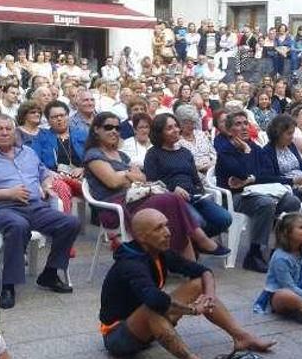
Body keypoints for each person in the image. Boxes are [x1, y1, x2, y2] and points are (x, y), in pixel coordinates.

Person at [99, 209, 275, 359]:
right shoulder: (131, 264)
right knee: (152, 309)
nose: (167, 232)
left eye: (166, 225)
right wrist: (191, 310)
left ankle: (241, 337)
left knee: (199, 284)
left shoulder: (159, 252)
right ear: (142, 237)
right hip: (119, 337)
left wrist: (209, 297)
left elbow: (202, 271)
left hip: (147, 324)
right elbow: (154, 300)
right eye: (159, 228)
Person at [0, 114, 81, 309]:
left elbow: (44, 173)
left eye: (8, 129)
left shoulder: (27, 152)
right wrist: (7, 193)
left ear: (15, 132)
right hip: (1, 208)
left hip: (34, 206)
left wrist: (46, 185)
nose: (4, 132)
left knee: (70, 223)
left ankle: (50, 273)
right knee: (18, 225)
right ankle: (9, 285)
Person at [83, 112, 228, 261]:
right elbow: (112, 182)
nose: (114, 131)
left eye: (117, 128)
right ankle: (198, 247)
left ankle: (188, 259)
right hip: (116, 207)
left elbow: (143, 178)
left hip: (136, 199)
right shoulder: (93, 155)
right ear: (96, 129)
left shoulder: (121, 155)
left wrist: (125, 176)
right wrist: (129, 174)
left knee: (172, 204)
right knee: (171, 199)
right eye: (108, 127)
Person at [214, 110, 301, 272]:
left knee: (292, 201)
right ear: (229, 130)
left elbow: (267, 175)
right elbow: (242, 173)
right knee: (266, 204)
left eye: (245, 123)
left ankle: (279, 248)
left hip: (259, 190)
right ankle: (253, 254)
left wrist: (253, 178)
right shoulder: (225, 150)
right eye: (238, 124)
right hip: (235, 197)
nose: (244, 127)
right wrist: (246, 152)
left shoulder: (256, 147)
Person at [144, 113, 232, 238]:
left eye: (176, 126)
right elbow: (152, 183)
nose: (176, 130)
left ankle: (196, 243)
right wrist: (172, 190)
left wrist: (198, 193)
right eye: (169, 128)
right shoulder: (153, 154)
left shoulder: (185, 152)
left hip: (193, 196)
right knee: (198, 222)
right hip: (170, 198)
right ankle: (196, 243)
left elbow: (195, 179)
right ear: (159, 133)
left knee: (225, 219)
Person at [30, 101, 87, 215]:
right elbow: (34, 161)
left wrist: (84, 168)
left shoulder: (82, 134)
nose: (59, 119)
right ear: (48, 120)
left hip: (83, 179)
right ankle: (65, 224)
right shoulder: (41, 137)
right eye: (55, 117)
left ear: (68, 116)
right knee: (60, 186)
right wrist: (48, 172)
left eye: (62, 115)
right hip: (56, 178)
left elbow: (93, 156)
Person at [175, 104, 216, 174]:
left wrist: (213, 164)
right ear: (179, 123)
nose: (191, 126)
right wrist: (201, 167)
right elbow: (181, 165)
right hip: (193, 175)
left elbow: (213, 153)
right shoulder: (176, 142)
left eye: (193, 122)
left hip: (212, 171)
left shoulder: (201, 134)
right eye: (187, 123)